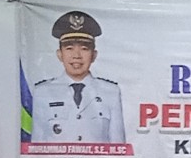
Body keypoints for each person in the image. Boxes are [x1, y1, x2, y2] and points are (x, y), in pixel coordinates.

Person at [31, 10, 125, 144]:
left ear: (94, 55)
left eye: (84, 49)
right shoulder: (43, 92)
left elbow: (118, 146)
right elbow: (37, 145)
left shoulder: (110, 92)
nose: (77, 55)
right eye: (69, 48)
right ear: (59, 54)